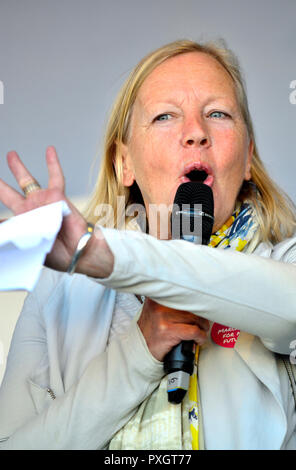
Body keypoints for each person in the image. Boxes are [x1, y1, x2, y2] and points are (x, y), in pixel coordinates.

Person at [0, 39, 296, 450]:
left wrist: (105, 255)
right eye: (164, 117)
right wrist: (138, 352)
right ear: (124, 163)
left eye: (217, 113)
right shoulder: (55, 294)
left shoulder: (287, 262)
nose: (196, 133)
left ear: (248, 157)